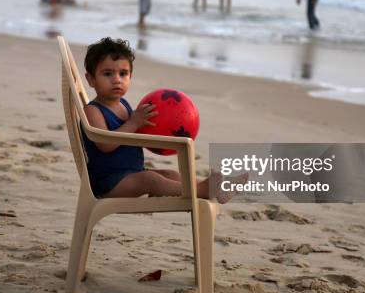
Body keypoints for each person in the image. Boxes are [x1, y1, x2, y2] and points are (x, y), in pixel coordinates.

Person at [82, 37, 246, 201]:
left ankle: (219, 187)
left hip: (131, 174)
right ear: (91, 79)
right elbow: (105, 144)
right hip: (108, 183)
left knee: (170, 174)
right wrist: (134, 123)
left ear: (130, 76)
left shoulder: (123, 105)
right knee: (150, 180)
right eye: (108, 74)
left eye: (123, 74)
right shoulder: (93, 110)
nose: (117, 79)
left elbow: (134, 134)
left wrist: (150, 126)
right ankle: (203, 191)